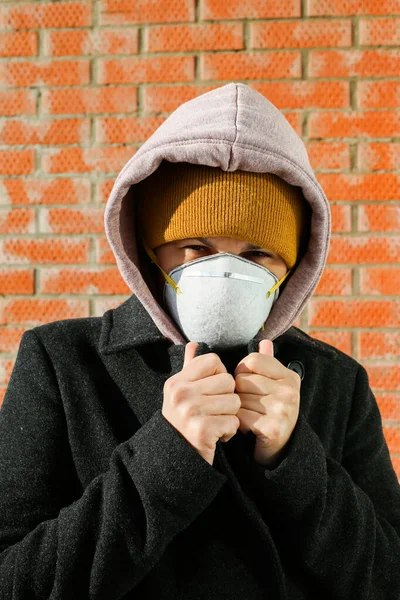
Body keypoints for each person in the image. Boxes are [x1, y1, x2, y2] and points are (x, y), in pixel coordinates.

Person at [0, 82, 399, 599]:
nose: (227, 274)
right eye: (196, 247)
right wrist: (168, 455)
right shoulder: (63, 364)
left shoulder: (335, 382)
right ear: (150, 253)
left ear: (293, 269)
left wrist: (295, 460)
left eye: (257, 254)